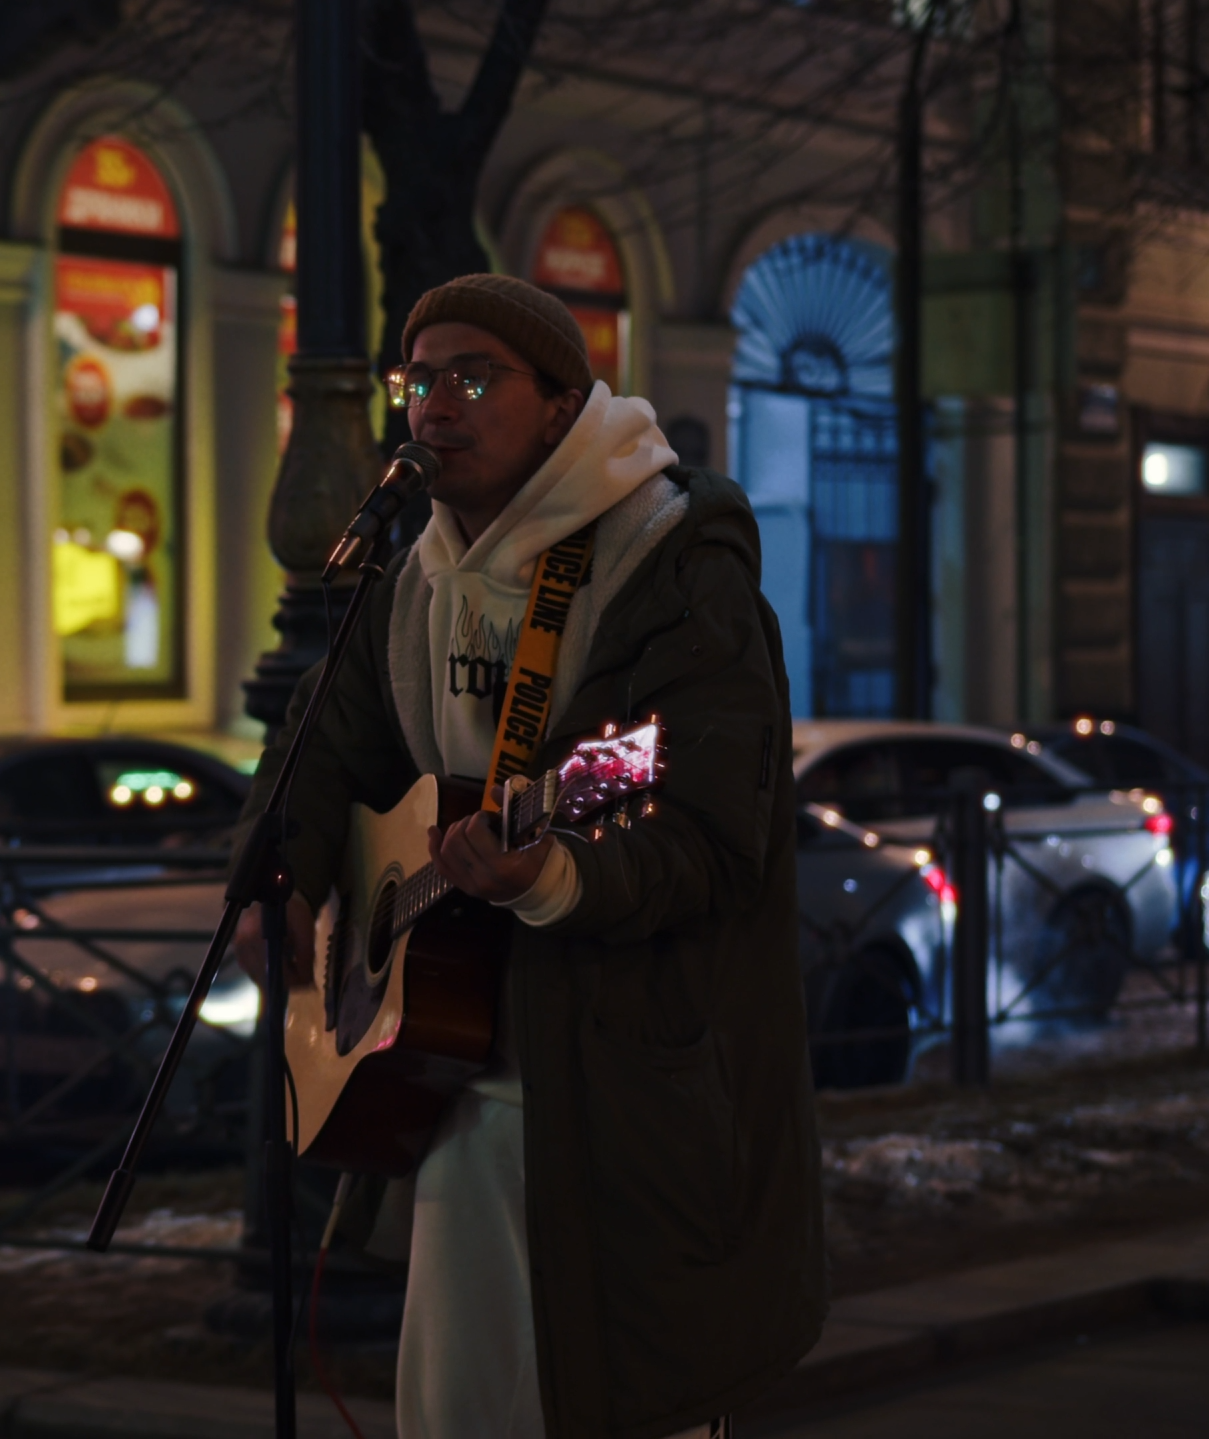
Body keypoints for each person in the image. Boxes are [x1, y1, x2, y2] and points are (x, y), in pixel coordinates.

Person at [235, 274, 824, 1439]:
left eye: (472, 375)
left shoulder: (671, 563)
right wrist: (280, 879)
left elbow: (712, 834)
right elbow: (319, 744)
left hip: (624, 1093)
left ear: (562, 406)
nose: (433, 406)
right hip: (452, 1076)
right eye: (420, 380)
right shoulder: (417, 579)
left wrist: (554, 874)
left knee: (617, 1396)